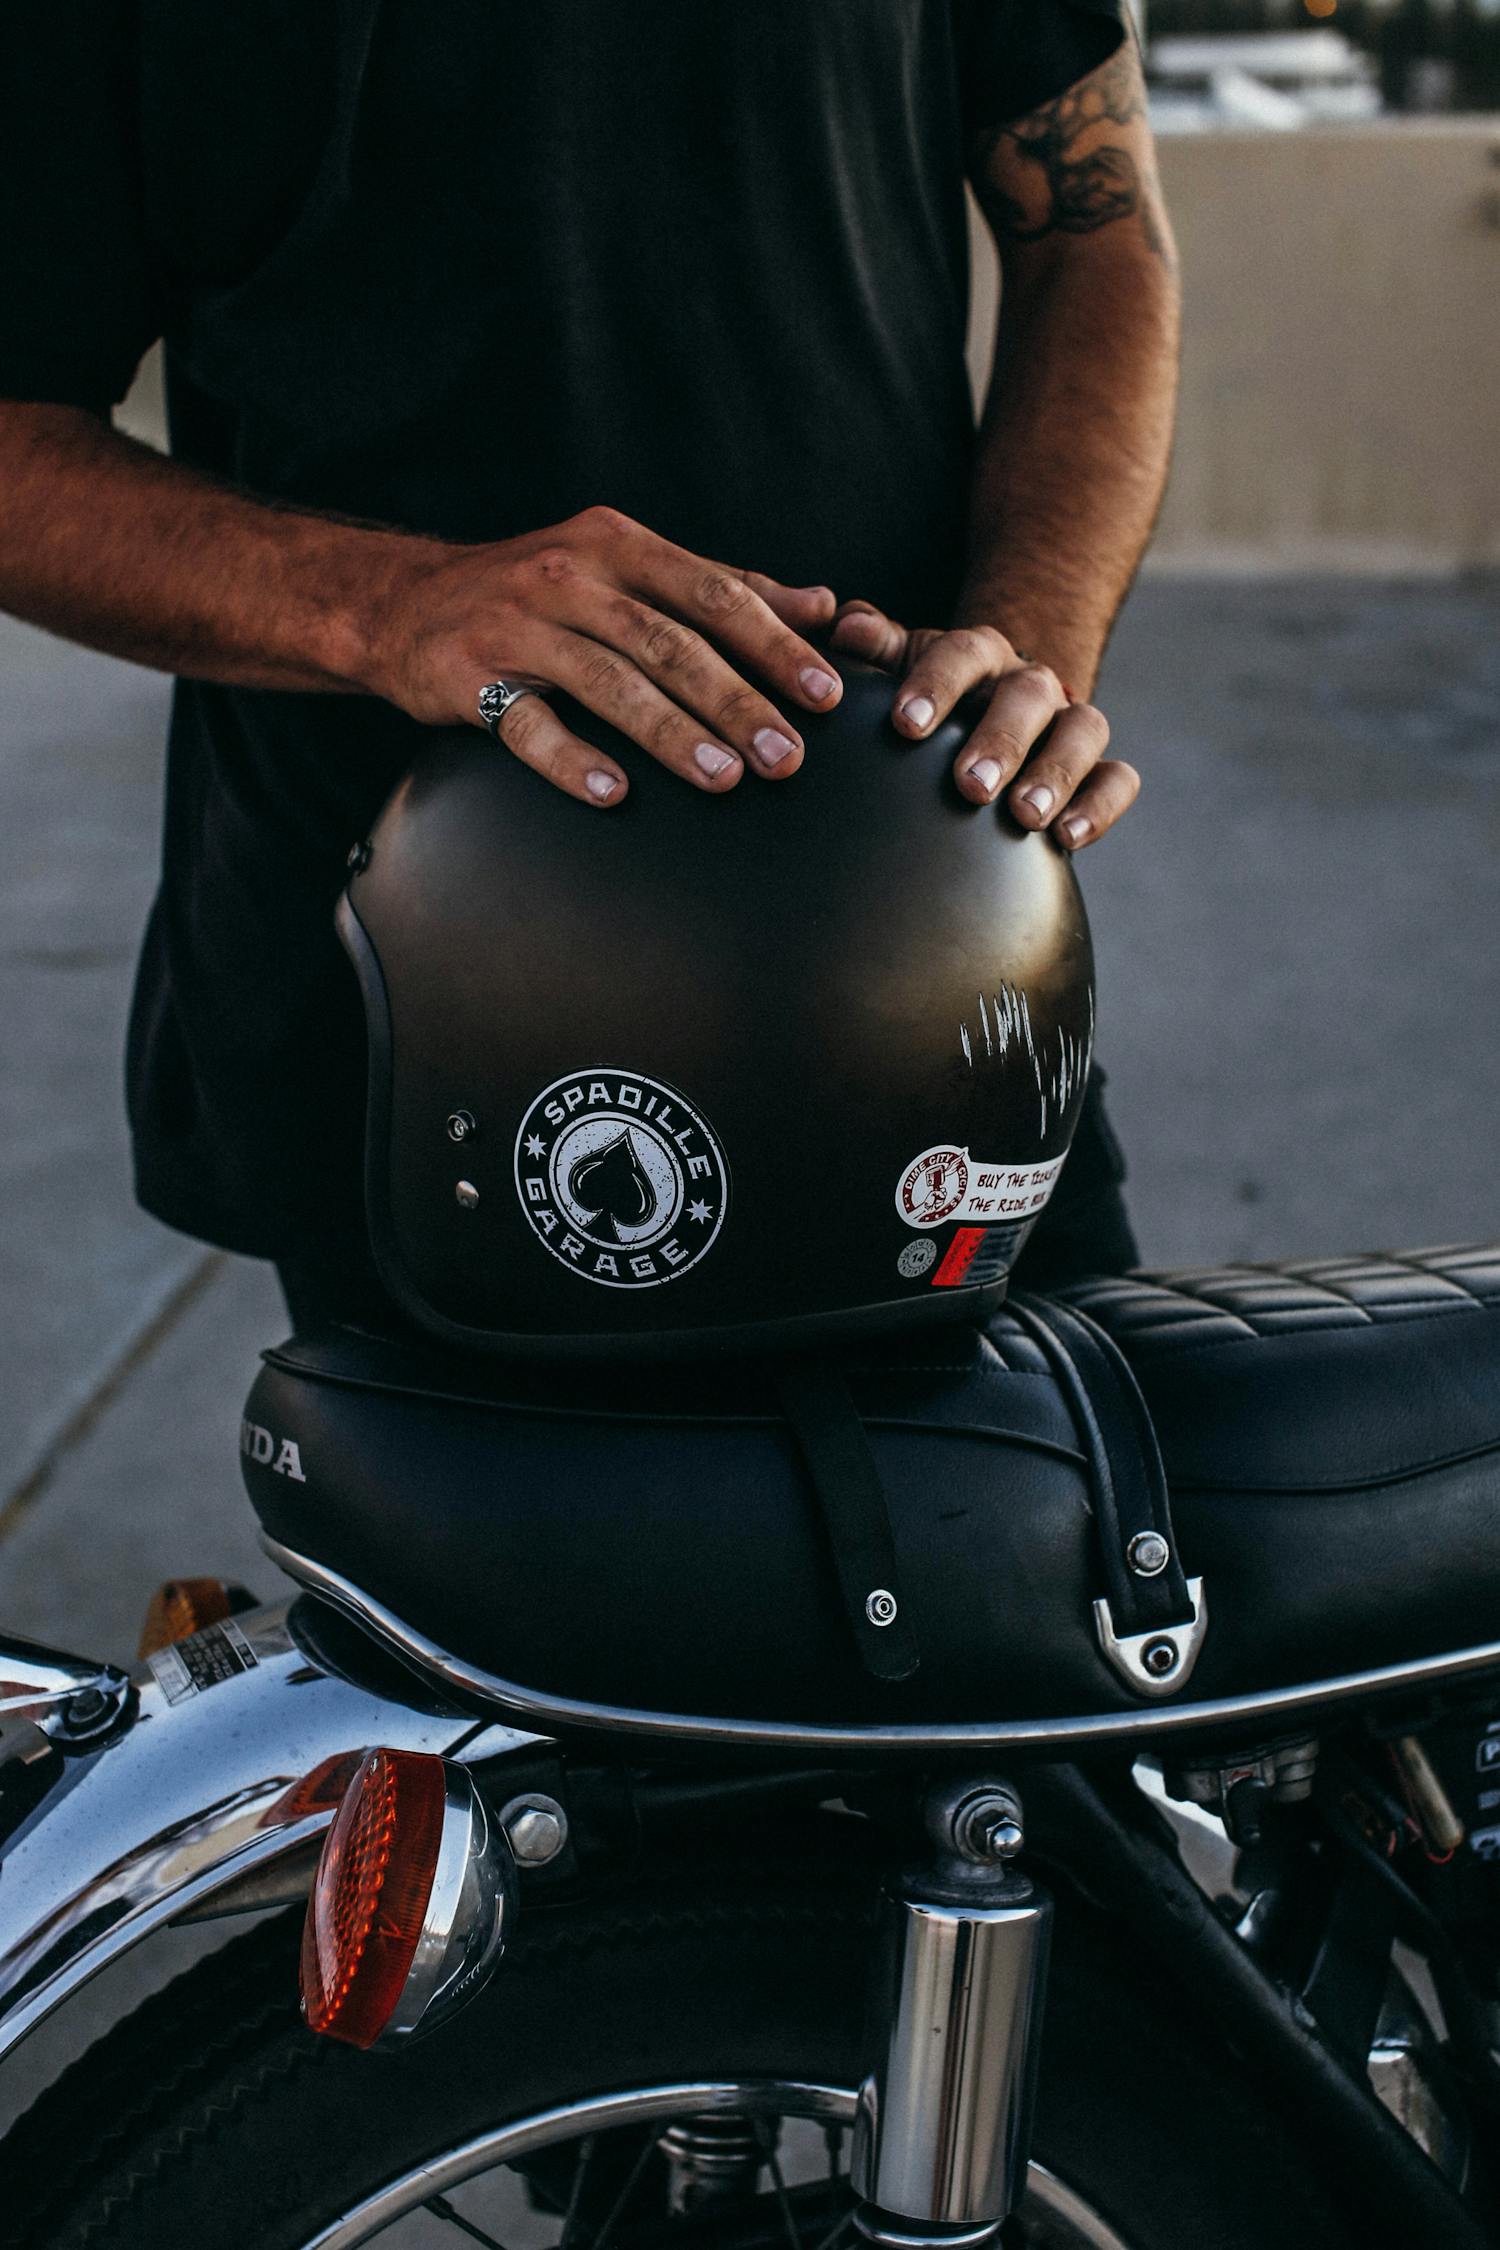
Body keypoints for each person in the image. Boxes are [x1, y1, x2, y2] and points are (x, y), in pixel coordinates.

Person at [0, 1, 1179, 1334]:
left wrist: (1024, 647)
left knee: (1088, 1525)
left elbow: (1093, 230)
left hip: (923, 968)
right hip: (414, 1012)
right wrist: (390, 606)